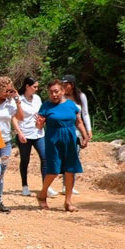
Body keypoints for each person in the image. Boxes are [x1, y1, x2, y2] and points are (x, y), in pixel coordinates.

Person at [36, 80, 89, 212]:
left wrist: (85, 135)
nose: (54, 95)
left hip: (70, 139)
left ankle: (68, 202)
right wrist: (40, 123)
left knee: (70, 169)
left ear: (63, 91)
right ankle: (42, 195)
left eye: (56, 91)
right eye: (51, 92)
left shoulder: (71, 105)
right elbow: (39, 126)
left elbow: (79, 121)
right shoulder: (46, 106)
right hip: (53, 140)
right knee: (53, 170)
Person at [0, 76, 24, 215]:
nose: (8, 93)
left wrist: (18, 100)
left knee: (1, 171)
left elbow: (20, 117)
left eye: (10, 90)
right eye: (6, 90)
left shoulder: (10, 103)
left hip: (6, 140)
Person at [16, 77, 48, 197]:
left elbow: (41, 114)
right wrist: (19, 133)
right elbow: (15, 117)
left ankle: (45, 186)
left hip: (38, 133)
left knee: (45, 158)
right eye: (34, 87)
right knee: (25, 160)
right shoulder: (19, 99)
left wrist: (42, 121)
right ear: (27, 86)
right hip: (24, 133)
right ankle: (25, 186)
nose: (36, 89)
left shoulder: (37, 99)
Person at [60, 74, 92, 195]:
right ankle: (65, 184)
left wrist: (88, 130)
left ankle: (68, 185)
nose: (63, 86)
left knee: (73, 157)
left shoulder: (81, 97)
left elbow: (85, 113)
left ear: (72, 85)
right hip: (64, 130)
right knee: (64, 158)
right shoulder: (61, 97)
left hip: (77, 131)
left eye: (65, 84)